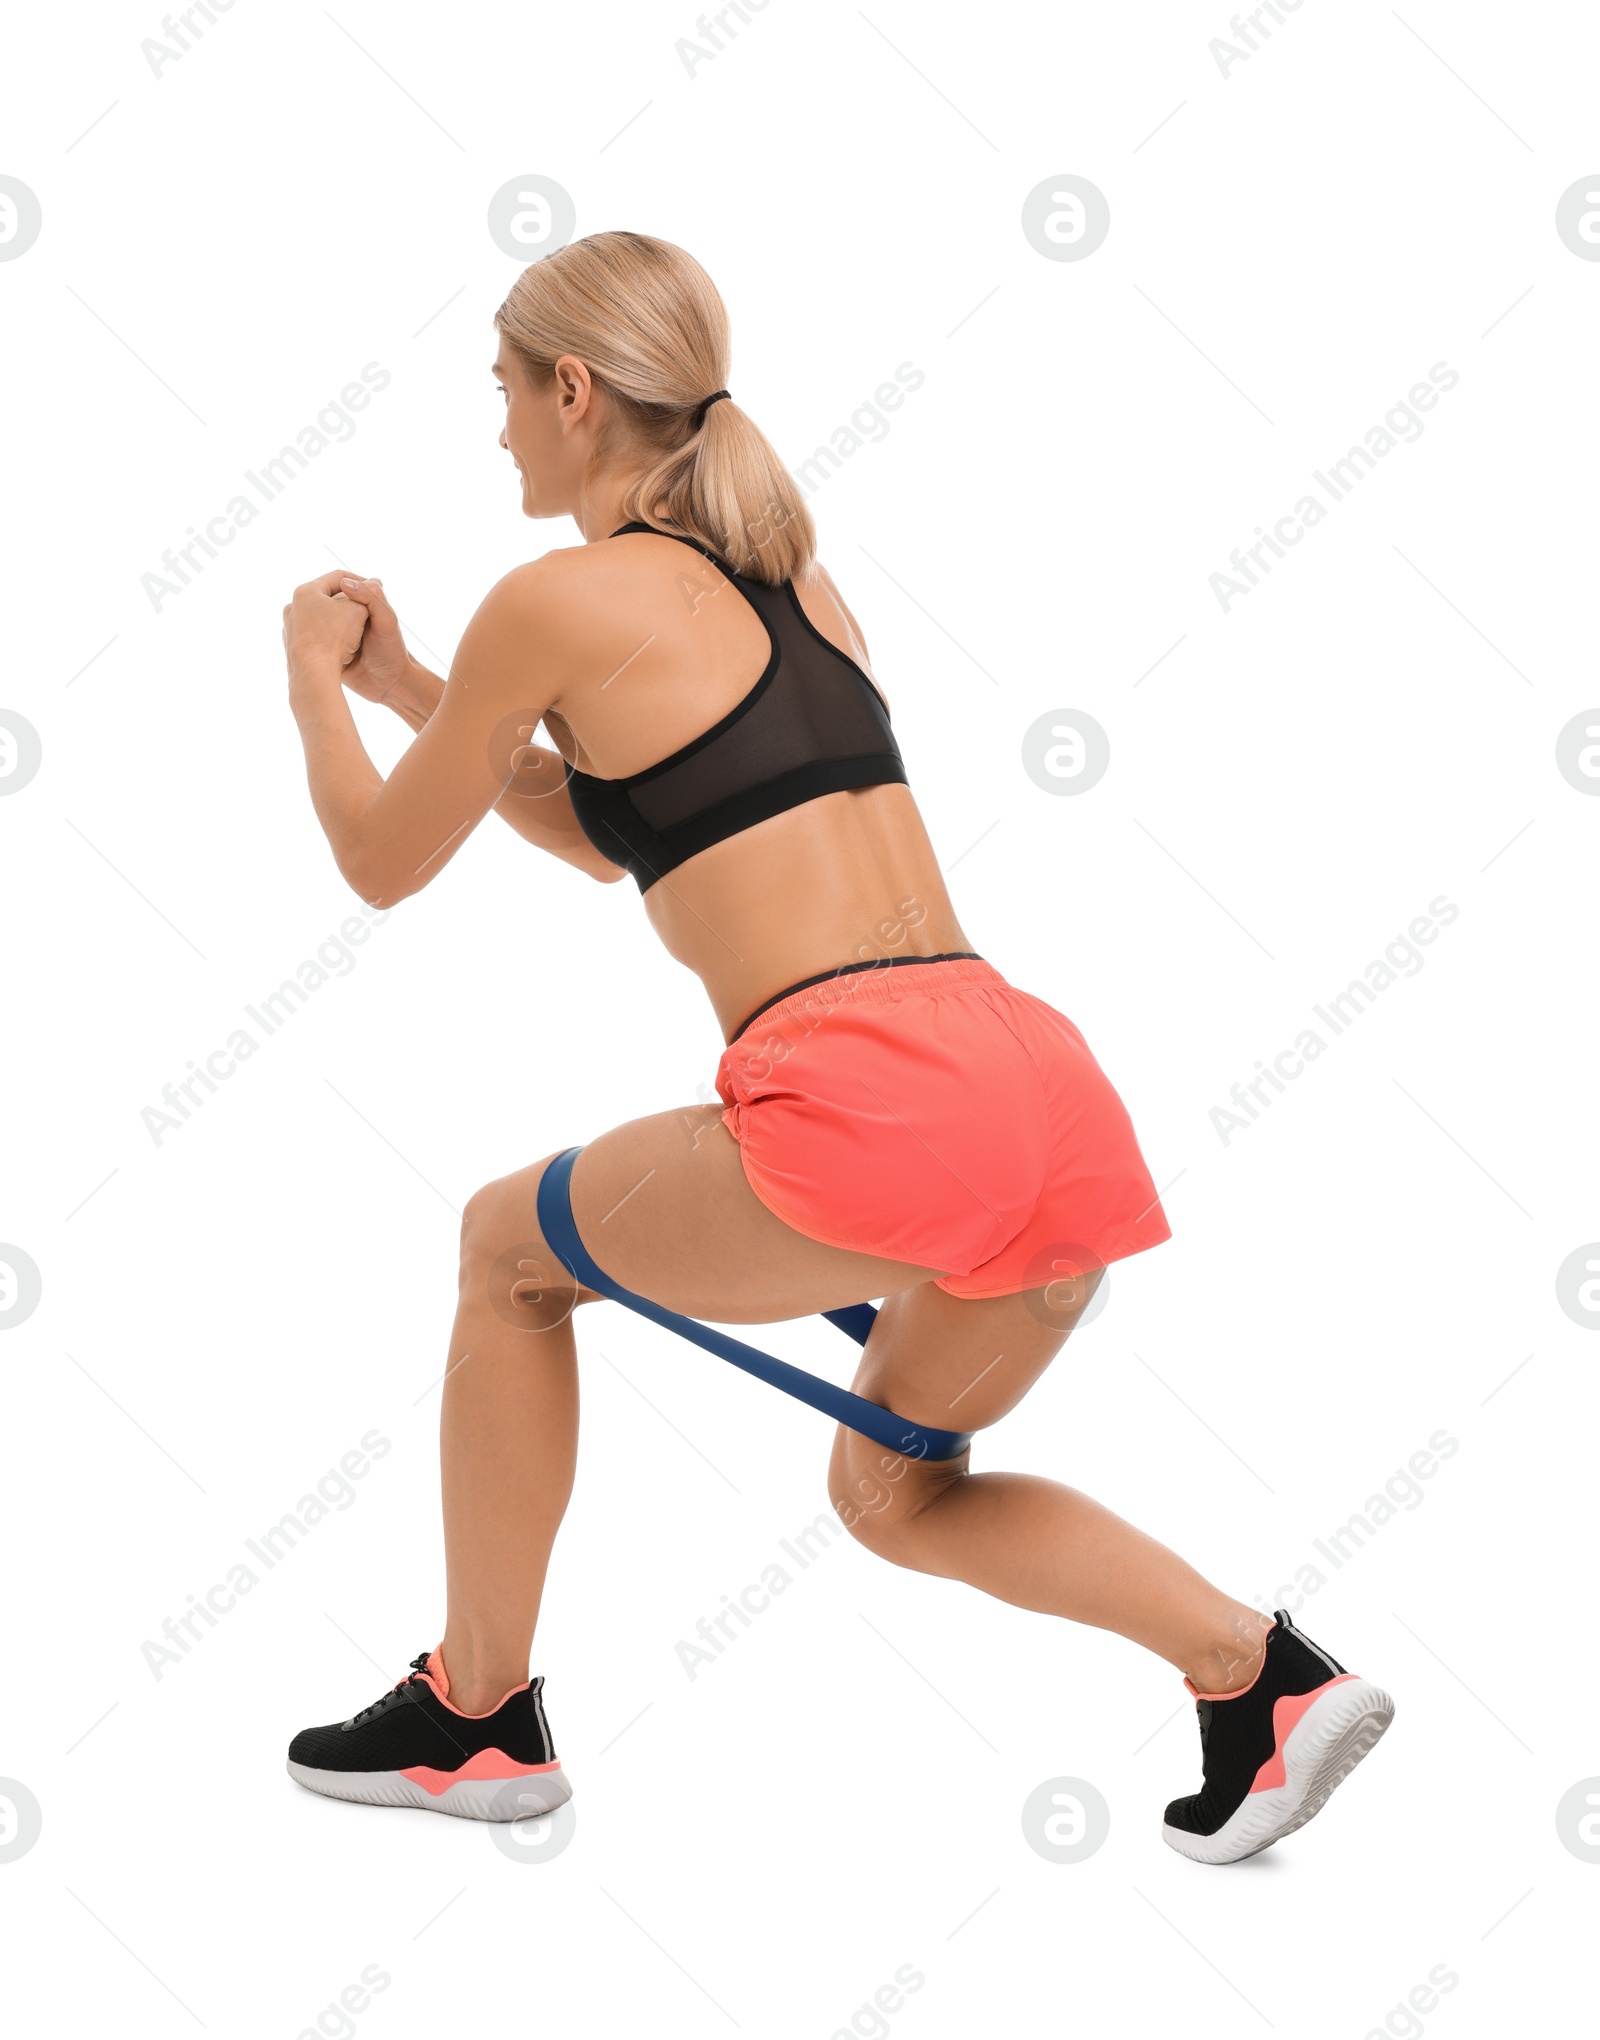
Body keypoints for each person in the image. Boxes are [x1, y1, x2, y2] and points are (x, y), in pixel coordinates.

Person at [278, 230, 1392, 1862]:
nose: (497, 429)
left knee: (506, 1253)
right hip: (1039, 1084)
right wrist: (419, 692)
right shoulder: (795, 581)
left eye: (505, 393)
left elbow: (380, 861)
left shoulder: (556, 596)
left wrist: (314, 680)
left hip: (860, 1096)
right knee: (894, 1491)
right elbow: (615, 830)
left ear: (573, 390)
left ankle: (476, 1714)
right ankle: (1256, 1675)